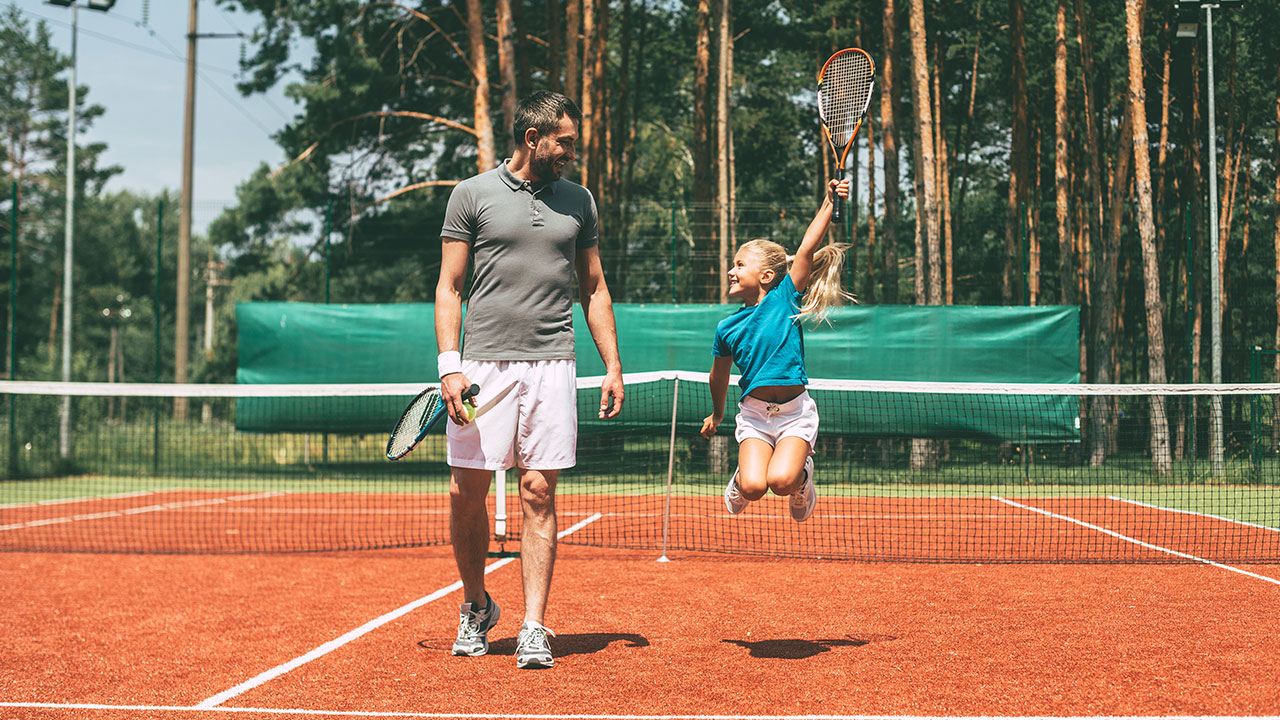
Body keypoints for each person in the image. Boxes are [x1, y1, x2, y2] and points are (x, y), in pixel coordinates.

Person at [435, 91, 624, 669]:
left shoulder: (580, 201)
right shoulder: (471, 195)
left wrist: (612, 364)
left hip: (552, 362)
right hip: (483, 366)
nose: (571, 151)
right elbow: (449, 288)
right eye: (563, 141)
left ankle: (534, 625)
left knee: (538, 491)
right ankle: (475, 607)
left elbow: (593, 288)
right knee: (466, 495)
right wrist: (451, 366)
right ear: (532, 138)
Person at [700, 179, 852, 522]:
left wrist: (829, 202)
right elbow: (718, 375)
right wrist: (719, 414)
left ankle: (802, 479)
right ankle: (741, 479)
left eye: (740, 265)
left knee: (781, 482)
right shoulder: (727, 328)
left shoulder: (785, 297)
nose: (731, 271)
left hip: (795, 413)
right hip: (754, 415)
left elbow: (808, 246)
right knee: (754, 488)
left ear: (767, 276)